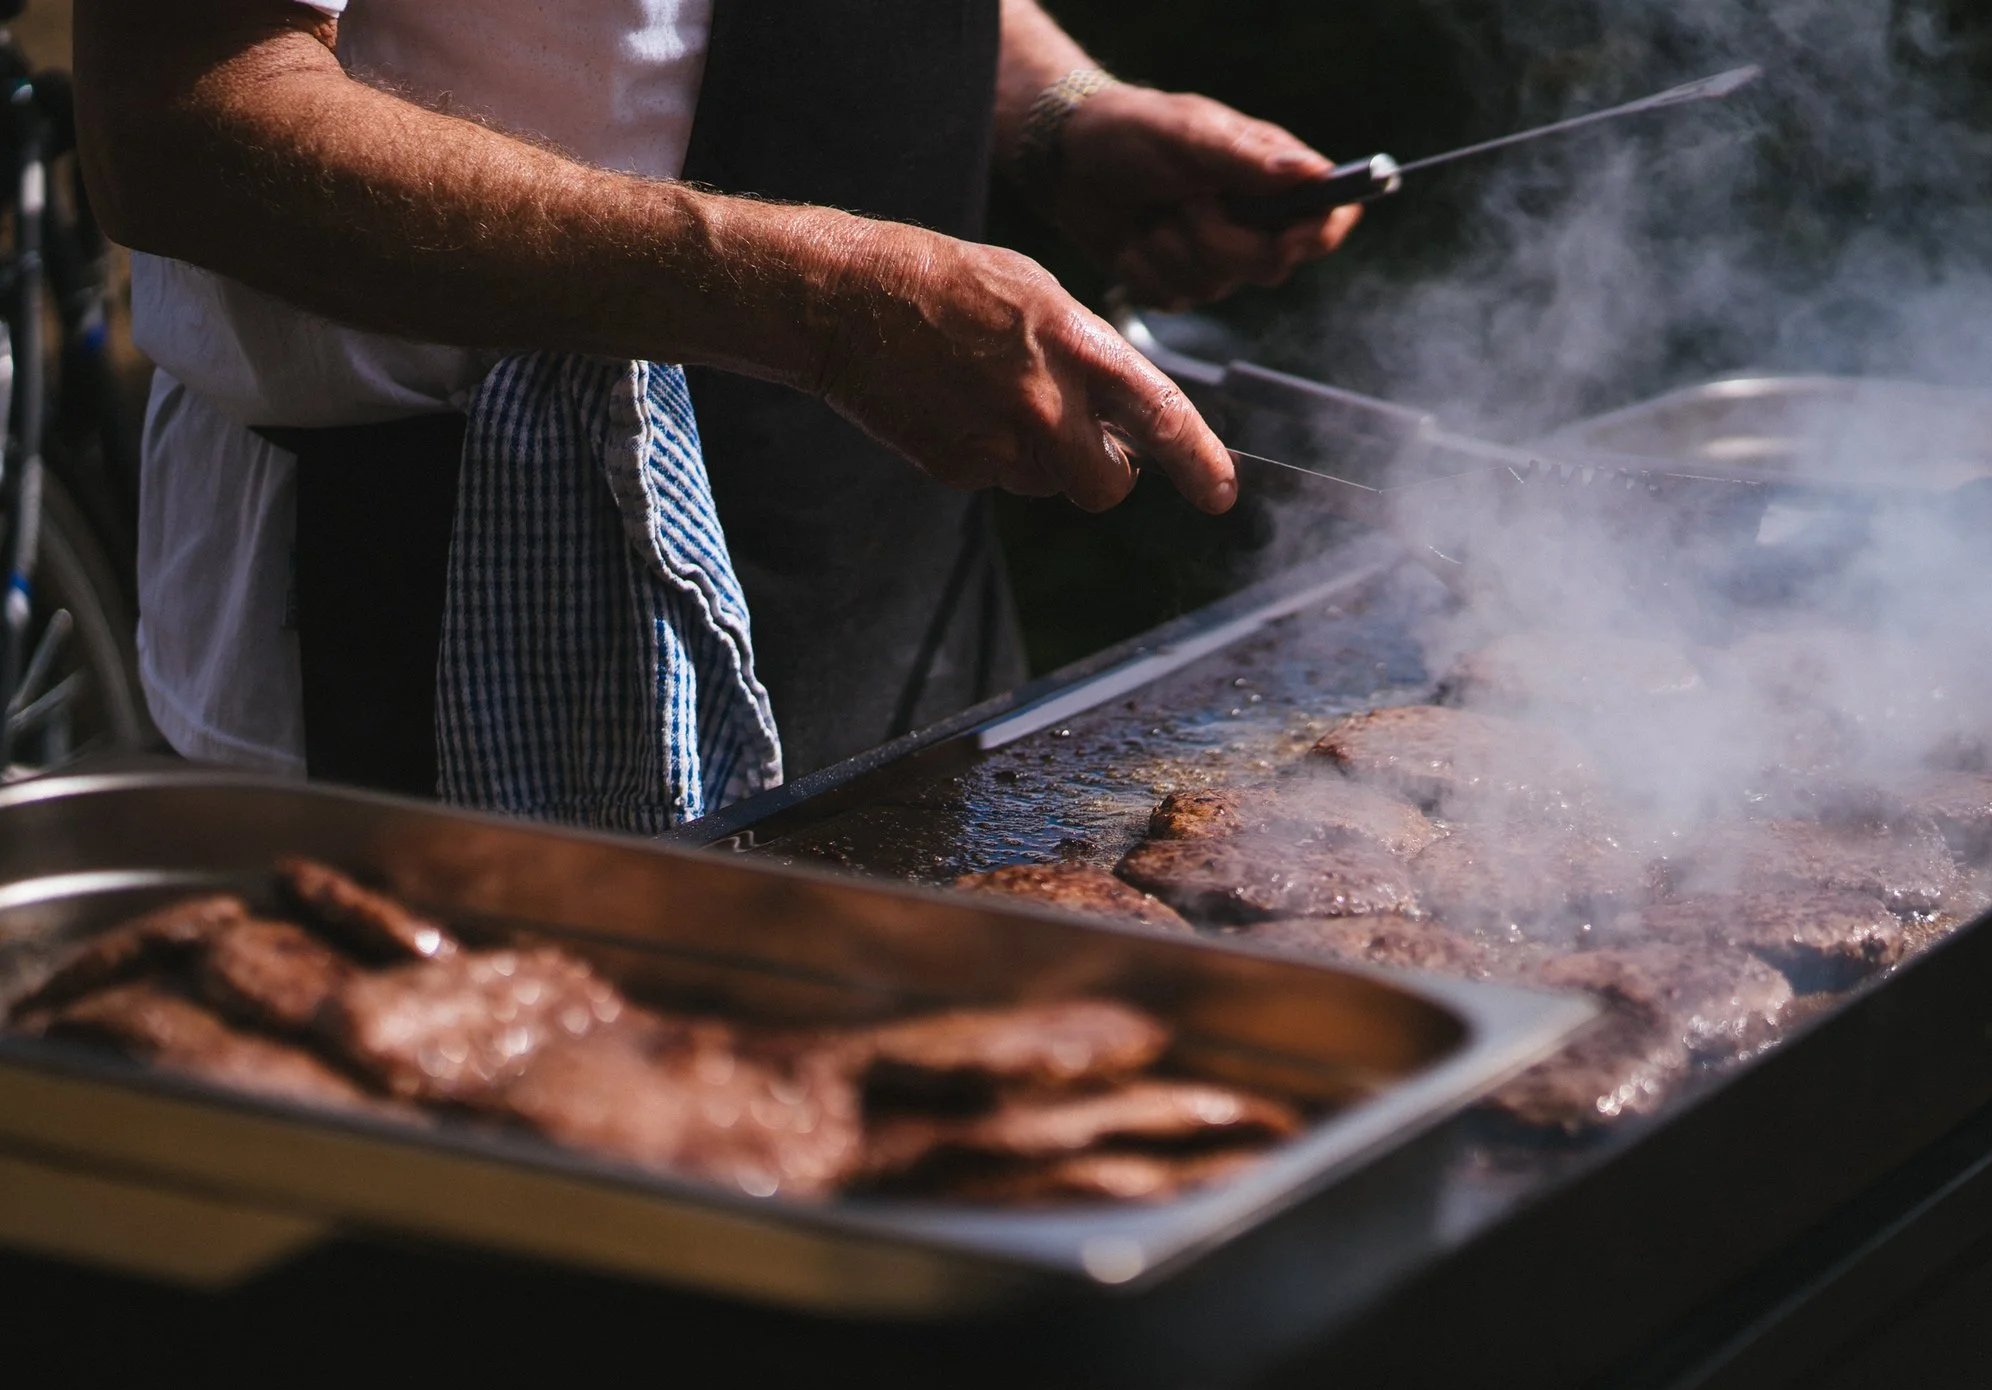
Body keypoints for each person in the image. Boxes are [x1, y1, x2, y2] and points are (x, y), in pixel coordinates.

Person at [75, 0, 1359, 800]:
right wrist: (829, 304)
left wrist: (1051, 111)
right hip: (449, 579)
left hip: (885, 549)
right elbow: (180, 119)